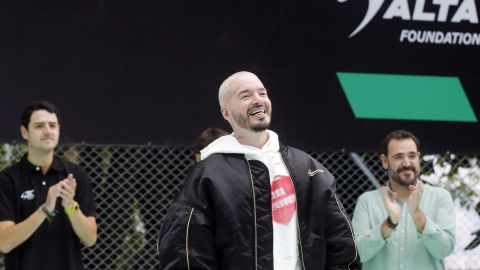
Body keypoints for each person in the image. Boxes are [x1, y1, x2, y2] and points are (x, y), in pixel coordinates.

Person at [157, 71, 360, 269]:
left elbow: (342, 245)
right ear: (226, 112)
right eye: (245, 95)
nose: (257, 100)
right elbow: (186, 252)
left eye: (262, 93)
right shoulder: (208, 175)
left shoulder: (307, 167)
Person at [0, 101, 97, 270]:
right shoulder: (7, 179)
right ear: (25, 132)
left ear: (58, 130)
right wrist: (45, 209)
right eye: (39, 126)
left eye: (52, 125)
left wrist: (70, 206)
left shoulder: (76, 175)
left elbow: (90, 238)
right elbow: (5, 243)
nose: (47, 131)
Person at [352, 130, 456, 270]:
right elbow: (357, 255)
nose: (407, 163)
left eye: (412, 156)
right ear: (384, 161)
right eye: (398, 157)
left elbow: (445, 250)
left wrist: (418, 216)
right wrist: (389, 224)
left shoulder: (440, 197)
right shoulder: (367, 201)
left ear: (418, 158)